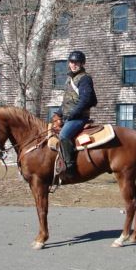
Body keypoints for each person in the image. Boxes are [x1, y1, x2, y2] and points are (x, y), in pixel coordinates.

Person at [53, 50, 98, 178]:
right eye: (71, 62)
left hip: (79, 118)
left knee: (64, 135)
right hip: (69, 117)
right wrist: (58, 113)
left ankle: (70, 166)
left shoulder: (85, 79)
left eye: (76, 62)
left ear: (82, 63)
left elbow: (86, 100)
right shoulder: (69, 79)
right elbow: (67, 102)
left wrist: (72, 114)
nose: (73, 64)